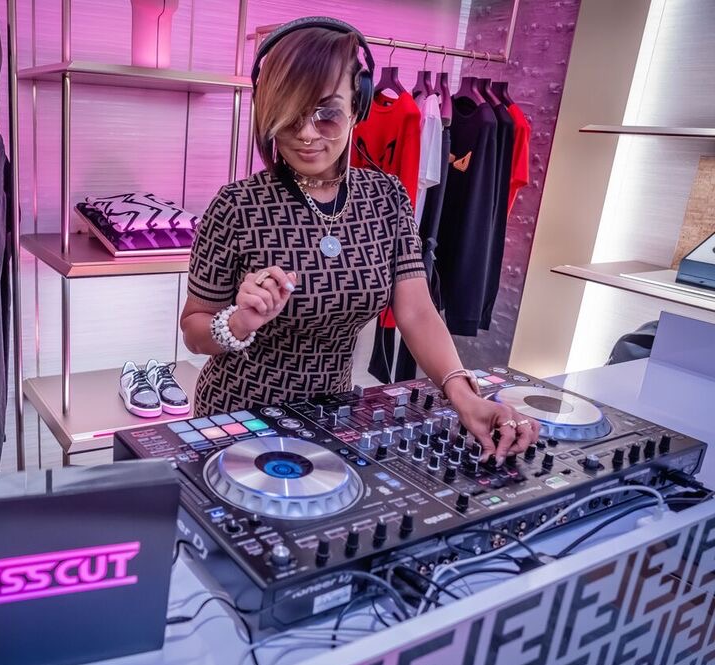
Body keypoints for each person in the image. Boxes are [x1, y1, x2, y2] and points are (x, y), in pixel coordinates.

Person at [179, 18, 539, 462]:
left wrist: (463, 393)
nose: (306, 133)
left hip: (331, 416)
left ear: (357, 106)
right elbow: (194, 330)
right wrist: (238, 322)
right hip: (236, 419)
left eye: (326, 113)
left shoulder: (387, 197)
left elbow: (417, 311)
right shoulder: (236, 205)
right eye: (289, 115)